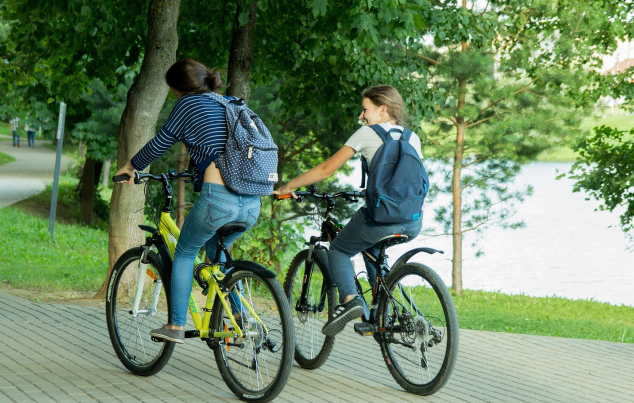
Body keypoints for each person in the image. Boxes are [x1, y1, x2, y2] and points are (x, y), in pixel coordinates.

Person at [114, 58, 261, 344]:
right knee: (217, 253)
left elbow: (161, 142)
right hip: (252, 202)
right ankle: (239, 317)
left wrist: (130, 167)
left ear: (180, 88)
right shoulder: (228, 103)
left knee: (183, 254)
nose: (174, 96)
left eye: (173, 90)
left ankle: (175, 326)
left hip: (219, 200)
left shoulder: (188, 104)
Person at [273, 85, 424, 337]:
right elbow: (404, 182)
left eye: (365, 109)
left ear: (382, 109)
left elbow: (325, 170)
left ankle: (351, 300)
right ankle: (380, 316)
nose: (362, 115)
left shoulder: (366, 134)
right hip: (412, 221)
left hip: (380, 220)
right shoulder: (413, 137)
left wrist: (288, 186)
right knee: (371, 248)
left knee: (340, 249)